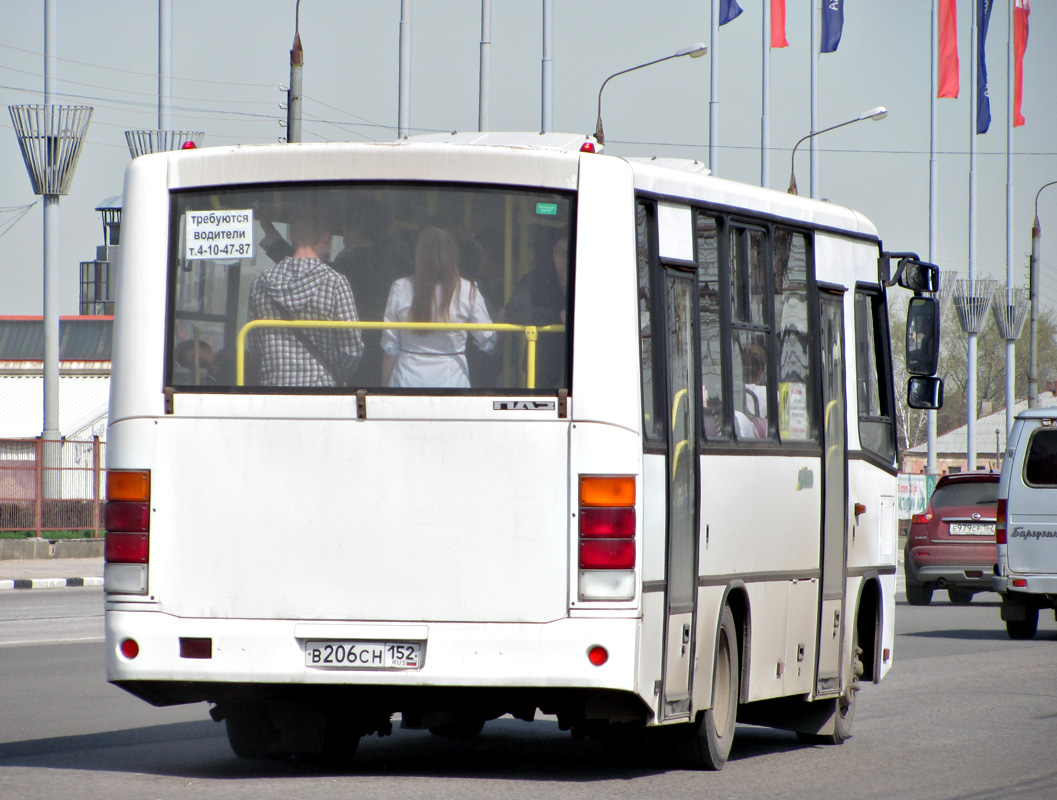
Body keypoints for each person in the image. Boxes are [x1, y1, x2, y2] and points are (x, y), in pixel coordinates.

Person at [247, 215, 363, 387]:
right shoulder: (335, 282)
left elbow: (254, 344)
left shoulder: (260, 282)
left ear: (291, 237)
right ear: (325, 237)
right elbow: (351, 347)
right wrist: (338, 374)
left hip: (272, 386)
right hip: (321, 388)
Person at [380, 227, 497, 388]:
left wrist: (384, 392)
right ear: (452, 255)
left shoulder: (399, 287)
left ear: (418, 255)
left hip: (406, 381)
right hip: (452, 383)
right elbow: (488, 342)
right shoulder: (467, 290)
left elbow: (390, 348)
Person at [502, 232, 569, 387]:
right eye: (561, 253)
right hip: (543, 371)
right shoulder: (536, 280)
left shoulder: (593, 282)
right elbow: (514, 313)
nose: (566, 261)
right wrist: (557, 316)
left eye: (572, 254)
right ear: (553, 254)